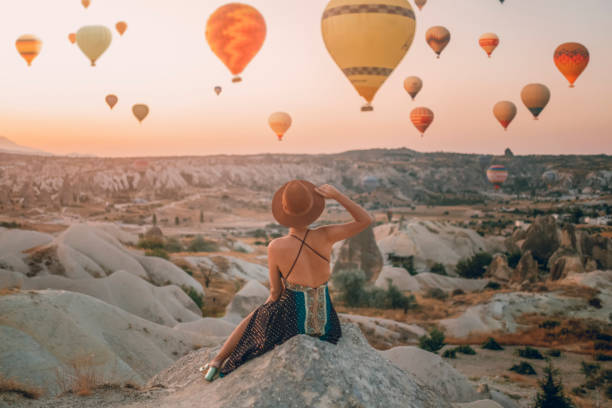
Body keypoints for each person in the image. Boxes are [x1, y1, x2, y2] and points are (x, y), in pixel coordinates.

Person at [200, 180, 374, 381]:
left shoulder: (276, 246)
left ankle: (218, 360)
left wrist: (262, 315)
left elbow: (275, 293)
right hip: (328, 326)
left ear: (284, 209)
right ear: (312, 209)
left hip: (293, 326)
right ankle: (218, 359)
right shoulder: (326, 235)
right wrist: (337, 195)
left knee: (258, 314)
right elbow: (365, 220)